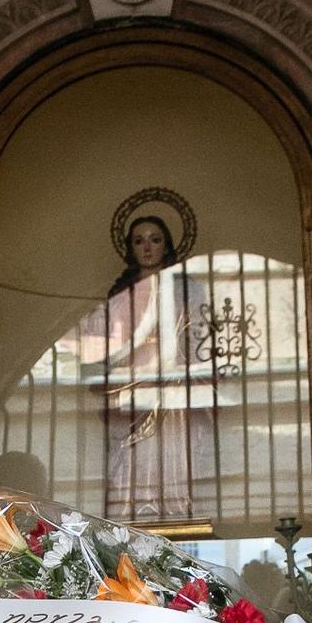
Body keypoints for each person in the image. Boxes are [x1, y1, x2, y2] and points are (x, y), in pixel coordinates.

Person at [90, 214, 211, 523]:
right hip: (133, 395)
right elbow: (106, 350)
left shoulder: (187, 292)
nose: (147, 248)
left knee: (170, 460)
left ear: (166, 246)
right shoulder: (120, 297)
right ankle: (134, 518)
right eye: (139, 241)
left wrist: (186, 374)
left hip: (171, 395)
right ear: (130, 248)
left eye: (155, 240)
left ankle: (175, 515)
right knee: (133, 463)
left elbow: (200, 344)